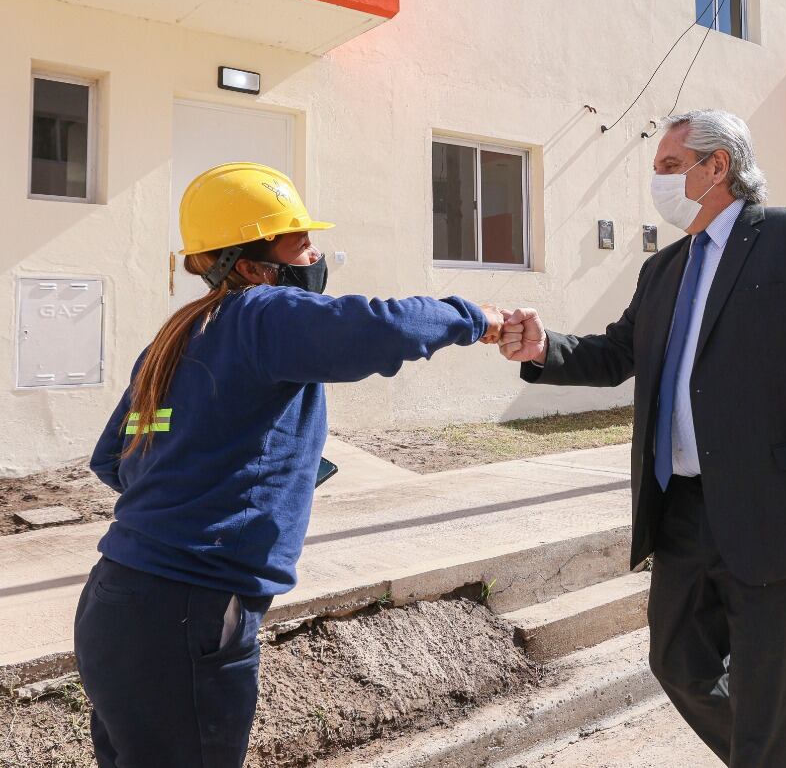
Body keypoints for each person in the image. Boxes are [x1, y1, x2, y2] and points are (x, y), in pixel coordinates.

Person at [75, 163, 504, 768]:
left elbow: (113, 459)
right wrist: (480, 320)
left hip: (116, 603)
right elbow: (378, 327)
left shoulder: (176, 336)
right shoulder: (262, 314)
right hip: (186, 614)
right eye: (298, 241)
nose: (315, 253)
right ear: (250, 264)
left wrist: (232, 471)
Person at [499, 110, 786, 768]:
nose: (658, 181)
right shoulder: (665, 268)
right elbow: (619, 351)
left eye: (669, 166)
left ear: (718, 167)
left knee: (768, 700)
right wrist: (546, 347)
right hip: (682, 510)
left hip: (778, 511)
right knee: (676, 662)